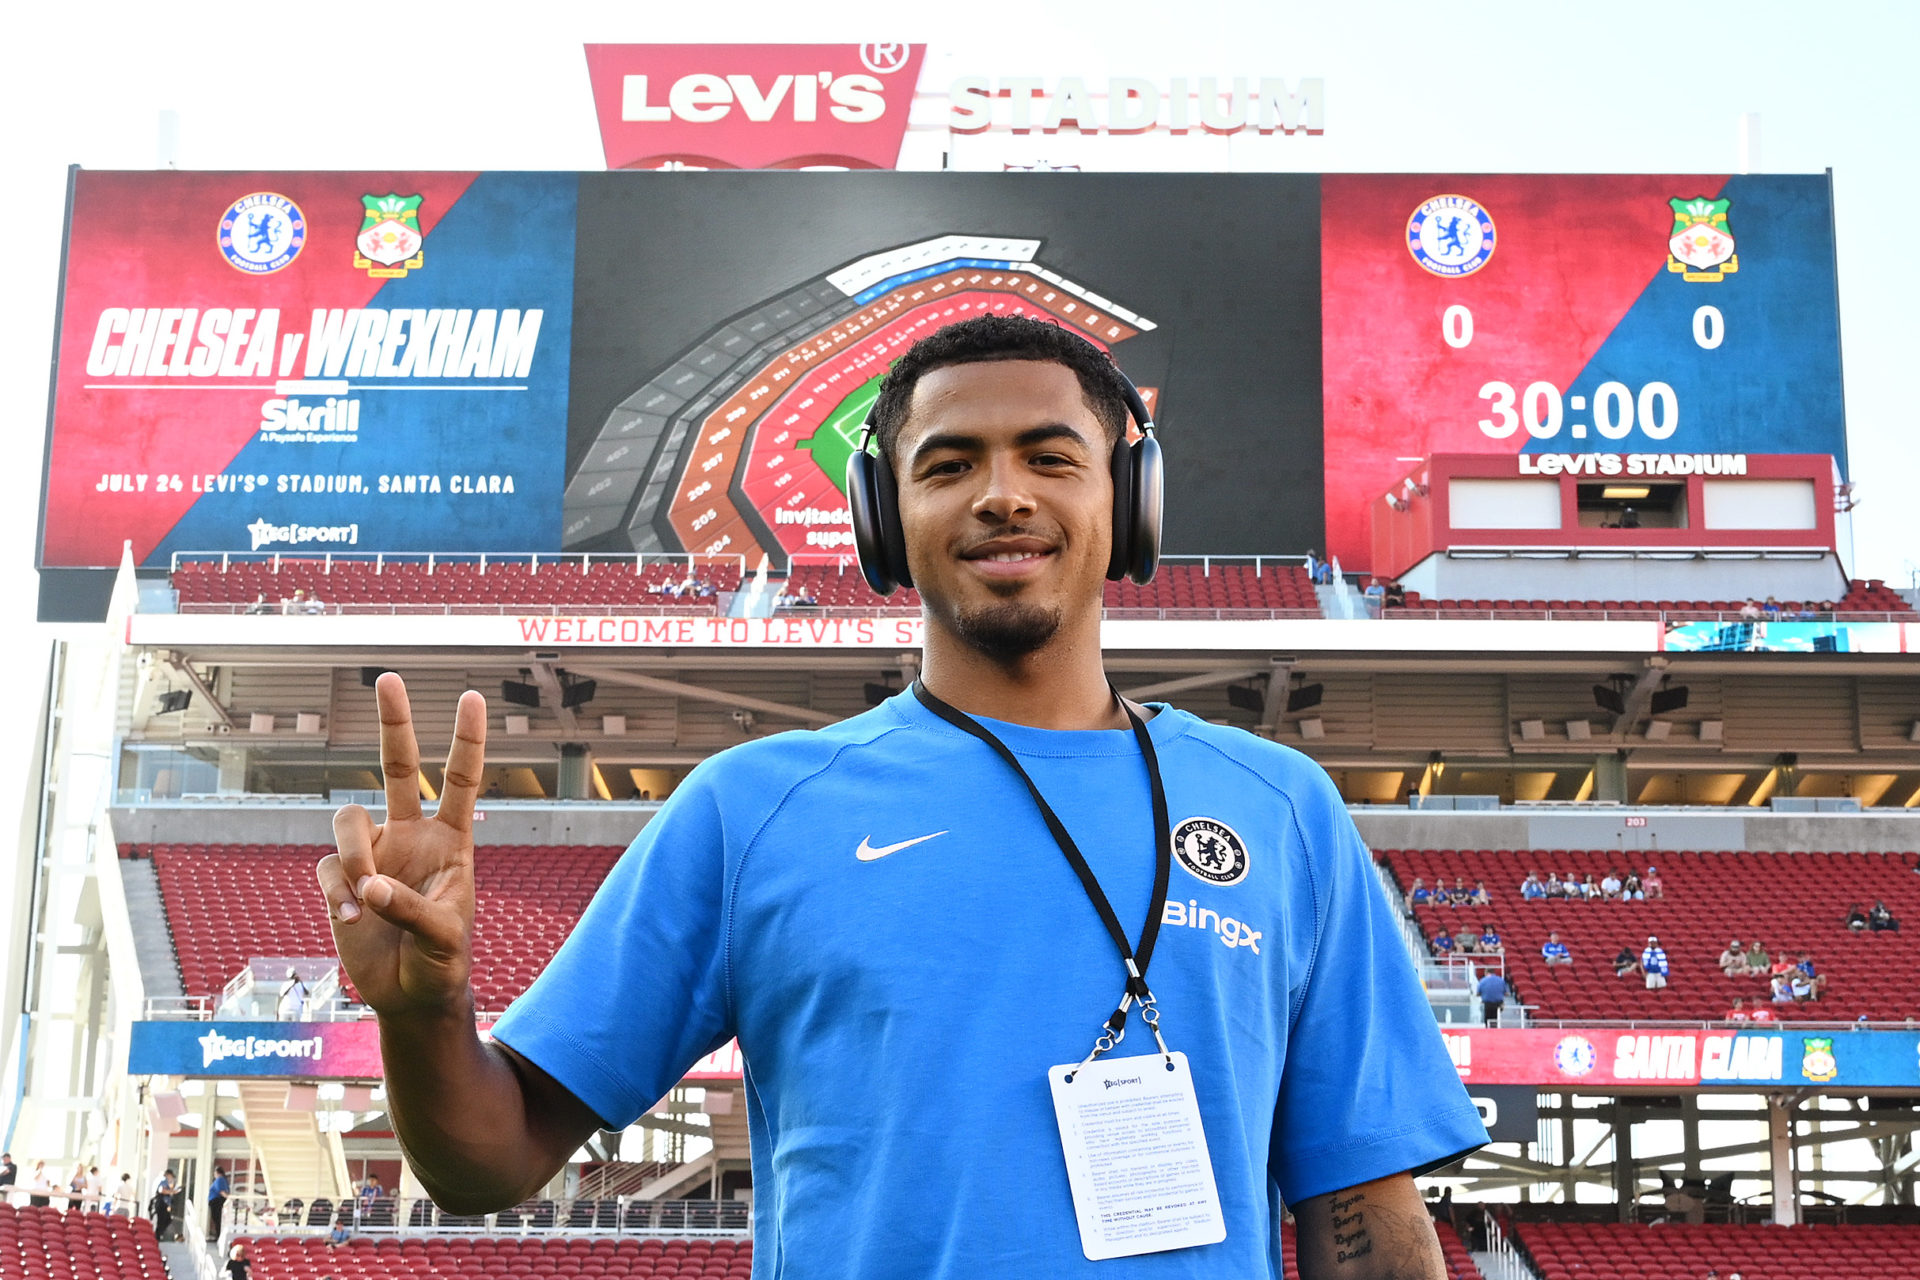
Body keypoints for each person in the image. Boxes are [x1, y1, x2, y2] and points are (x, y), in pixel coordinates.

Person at [317, 316, 1487, 1279]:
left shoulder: (1282, 808)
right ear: (885, 518)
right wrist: (424, 1015)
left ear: (1131, 500)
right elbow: (491, 1158)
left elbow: (1369, 1225)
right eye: (948, 464)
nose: (1002, 495)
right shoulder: (751, 811)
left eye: (1050, 455)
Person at [148, 1169, 176, 1239]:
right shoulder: (163, 1181)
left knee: (166, 1220)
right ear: (168, 1175)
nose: (171, 1179)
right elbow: (161, 1190)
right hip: (162, 1204)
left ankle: (158, 1235)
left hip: (162, 1204)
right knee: (162, 1221)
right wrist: (172, 1191)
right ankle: (157, 1236)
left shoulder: (162, 1181)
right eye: (171, 1177)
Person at [206, 1165, 229, 1240]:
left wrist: (228, 1198)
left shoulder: (219, 1179)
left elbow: (222, 1191)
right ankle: (218, 1235)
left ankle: (218, 1236)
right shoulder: (224, 1180)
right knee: (218, 1219)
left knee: (217, 1219)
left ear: (217, 1173)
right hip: (217, 1201)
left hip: (216, 1202)